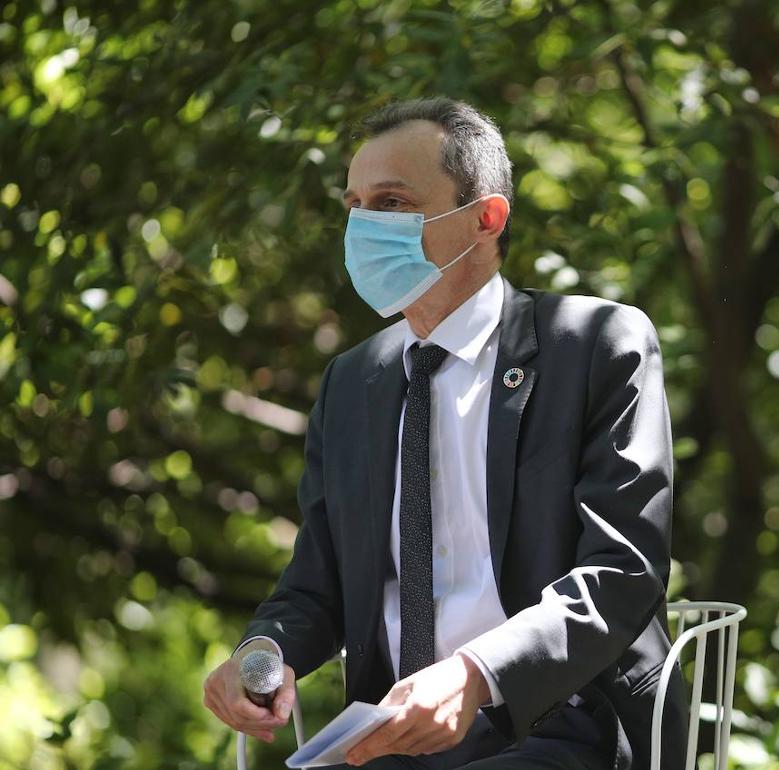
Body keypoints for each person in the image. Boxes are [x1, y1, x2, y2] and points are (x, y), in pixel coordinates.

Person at [201, 96, 688, 770]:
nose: (364, 225)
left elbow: (622, 571)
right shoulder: (352, 382)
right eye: (354, 205)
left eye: (392, 203)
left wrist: (475, 675)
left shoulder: (595, 345)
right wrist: (262, 654)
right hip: (390, 737)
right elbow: (316, 584)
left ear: (486, 218)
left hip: (568, 725)